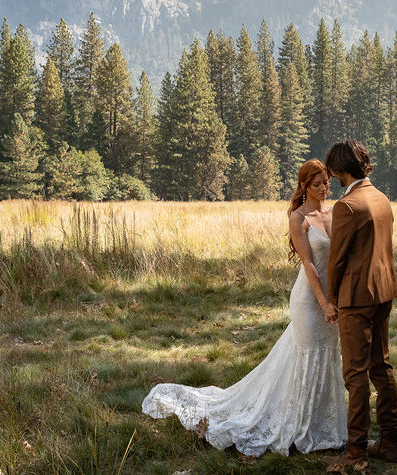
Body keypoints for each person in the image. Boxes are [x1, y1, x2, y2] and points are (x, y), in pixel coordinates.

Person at [142, 159, 346, 457]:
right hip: (310, 299)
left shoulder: (334, 212)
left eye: (327, 183)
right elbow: (309, 264)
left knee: (327, 358)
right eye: (317, 184)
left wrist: (339, 297)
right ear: (304, 186)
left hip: (334, 298)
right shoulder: (298, 217)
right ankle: (301, 429)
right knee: (308, 358)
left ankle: (325, 427)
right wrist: (325, 303)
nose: (324, 188)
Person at [323, 140, 397, 467]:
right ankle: (389, 442)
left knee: (355, 375)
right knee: (381, 367)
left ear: (340, 170)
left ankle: (356, 451)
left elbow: (336, 260)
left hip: (356, 298)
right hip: (384, 293)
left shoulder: (347, 206)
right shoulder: (381, 199)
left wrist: (332, 297)